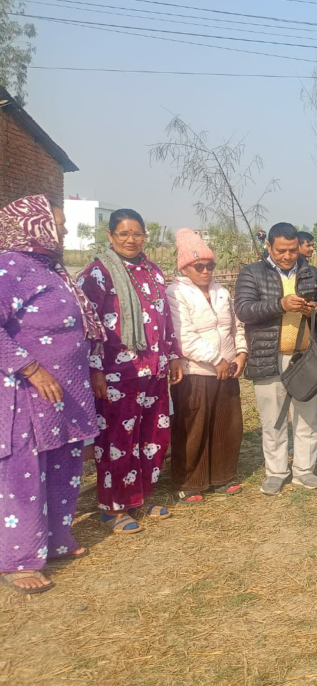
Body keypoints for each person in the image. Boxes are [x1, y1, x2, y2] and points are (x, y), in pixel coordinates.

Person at [0, 196, 103, 593]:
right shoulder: (10, 267)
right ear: (34, 225)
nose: (64, 231)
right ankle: (20, 558)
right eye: (58, 224)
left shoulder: (49, 268)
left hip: (65, 393)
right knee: (24, 472)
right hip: (28, 392)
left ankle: (56, 537)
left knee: (64, 463)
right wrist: (29, 367)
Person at [78, 208, 183, 531]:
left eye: (137, 233)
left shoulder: (153, 271)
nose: (131, 240)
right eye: (123, 233)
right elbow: (88, 328)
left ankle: (141, 496)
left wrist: (173, 355)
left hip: (153, 370)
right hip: (116, 375)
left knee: (152, 437)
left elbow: (165, 318)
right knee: (117, 441)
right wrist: (95, 370)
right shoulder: (96, 274)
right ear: (110, 236)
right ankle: (114, 507)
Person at [234, 222, 317, 496]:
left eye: (292, 250)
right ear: (269, 246)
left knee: (307, 416)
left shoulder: (311, 273)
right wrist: (280, 305)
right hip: (269, 356)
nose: (288, 256)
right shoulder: (252, 273)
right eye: (281, 250)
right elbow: (244, 310)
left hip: (304, 357)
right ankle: (276, 472)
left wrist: (316, 309)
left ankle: (304, 470)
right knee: (274, 419)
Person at [166, 229, 247, 504]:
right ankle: (189, 482)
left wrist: (241, 353)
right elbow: (183, 336)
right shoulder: (176, 293)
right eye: (198, 266)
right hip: (195, 372)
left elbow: (236, 326)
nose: (205, 271)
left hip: (227, 369)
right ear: (184, 268)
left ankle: (222, 476)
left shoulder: (221, 291)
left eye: (209, 266)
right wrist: (216, 360)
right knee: (193, 427)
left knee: (226, 424)